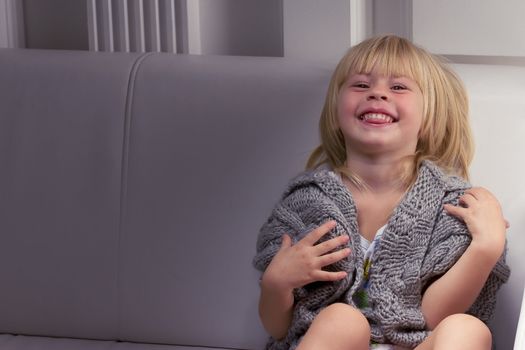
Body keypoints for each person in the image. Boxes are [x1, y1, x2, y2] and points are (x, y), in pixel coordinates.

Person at [253, 35, 510, 350]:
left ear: (429, 119)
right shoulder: (307, 203)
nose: (377, 93)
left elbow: (432, 317)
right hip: (332, 341)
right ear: (336, 113)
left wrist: (486, 247)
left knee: (468, 329)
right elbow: (278, 328)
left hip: (415, 344)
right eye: (361, 85)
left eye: (398, 87)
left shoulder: (453, 207)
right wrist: (276, 283)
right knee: (342, 319)